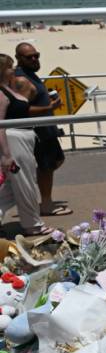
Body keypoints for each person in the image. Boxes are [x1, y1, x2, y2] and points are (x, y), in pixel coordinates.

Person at [14, 43, 70, 216]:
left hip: (46, 129)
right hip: (39, 132)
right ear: (18, 58)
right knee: (47, 166)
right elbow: (22, 109)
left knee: (55, 161)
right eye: (29, 57)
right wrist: (49, 107)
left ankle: (40, 196)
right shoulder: (22, 80)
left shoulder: (31, 75)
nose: (34, 59)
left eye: (36, 55)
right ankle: (46, 204)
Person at [0, 54, 50, 235]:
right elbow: (0, 125)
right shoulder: (1, 93)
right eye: (9, 67)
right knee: (25, 184)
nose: (13, 70)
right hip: (15, 140)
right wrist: (6, 155)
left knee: (12, 189)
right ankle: (33, 225)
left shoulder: (7, 88)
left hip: (23, 138)